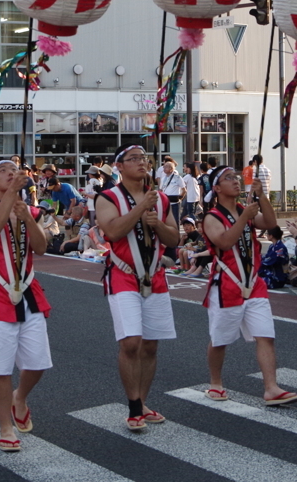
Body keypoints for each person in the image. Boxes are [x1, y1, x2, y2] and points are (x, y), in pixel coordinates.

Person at [95, 144, 180, 430]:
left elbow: (175, 238)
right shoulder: (108, 197)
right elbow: (113, 231)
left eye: (144, 158)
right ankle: (133, 406)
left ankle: (142, 402)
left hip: (155, 275)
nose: (141, 163)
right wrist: (140, 209)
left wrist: (156, 224)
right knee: (131, 342)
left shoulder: (161, 199)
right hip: (123, 273)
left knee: (151, 345)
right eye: (133, 159)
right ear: (119, 166)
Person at [200, 166, 297, 406]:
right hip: (227, 284)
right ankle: (215, 382)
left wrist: (262, 195)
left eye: (236, 177)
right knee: (220, 339)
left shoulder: (244, 210)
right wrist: (244, 218)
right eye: (228, 179)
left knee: (265, 335)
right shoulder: (212, 216)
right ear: (216, 188)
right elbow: (224, 242)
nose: (235, 181)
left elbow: (270, 222)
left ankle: (271, 388)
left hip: (253, 283)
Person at [0, 160, 51, 452]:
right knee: (1, 368)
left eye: (12, 170)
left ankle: (21, 396)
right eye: (2, 171)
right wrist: (11, 199)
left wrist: (28, 218)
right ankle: (5, 426)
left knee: (38, 363)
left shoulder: (32, 210)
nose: (10, 173)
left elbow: (41, 247)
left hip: (29, 290)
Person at [158, 161, 184, 226]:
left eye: (166, 167)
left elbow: (184, 190)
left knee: (175, 220)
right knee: (166, 220)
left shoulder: (177, 177)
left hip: (174, 203)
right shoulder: (163, 178)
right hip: (166, 202)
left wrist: (180, 198)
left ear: (171, 168)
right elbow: (161, 190)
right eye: (164, 167)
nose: (164, 168)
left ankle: (176, 234)